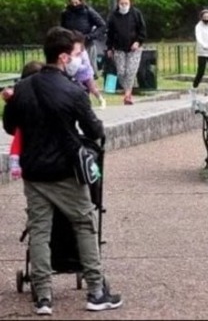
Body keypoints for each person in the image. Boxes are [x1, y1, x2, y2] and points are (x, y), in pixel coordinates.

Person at [2, 27, 122, 315]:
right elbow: (94, 129)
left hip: (34, 171)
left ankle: (43, 296)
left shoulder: (23, 88)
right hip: (66, 170)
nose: (78, 60)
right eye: (76, 55)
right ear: (64, 56)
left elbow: (9, 126)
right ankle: (95, 290)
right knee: (84, 223)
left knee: (40, 231)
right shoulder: (73, 91)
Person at [3, 60, 44, 182]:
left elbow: (10, 128)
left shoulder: (19, 99)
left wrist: (10, 103)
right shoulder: (52, 96)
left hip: (30, 158)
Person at [106, 0, 146, 105]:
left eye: (126, 3)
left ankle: (128, 94)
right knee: (121, 72)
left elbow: (142, 30)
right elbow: (110, 33)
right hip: (119, 48)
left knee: (130, 71)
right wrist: (109, 48)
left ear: (130, 3)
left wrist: (138, 42)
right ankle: (128, 88)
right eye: (121, 3)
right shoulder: (113, 16)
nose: (124, 6)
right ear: (118, 4)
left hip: (134, 48)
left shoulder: (136, 14)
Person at [60, 0, 106, 78]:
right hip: (71, 43)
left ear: (81, 1)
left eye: (76, 2)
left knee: (88, 68)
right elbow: (63, 27)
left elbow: (102, 25)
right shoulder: (66, 13)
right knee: (71, 67)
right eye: (72, 3)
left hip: (86, 43)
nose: (74, 5)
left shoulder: (88, 11)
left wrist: (90, 36)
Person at [70, 31, 106, 109]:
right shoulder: (71, 52)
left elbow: (86, 65)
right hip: (77, 76)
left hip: (86, 74)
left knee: (93, 88)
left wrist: (77, 66)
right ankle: (85, 104)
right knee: (81, 91)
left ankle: (101, 100)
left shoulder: (83, 52)